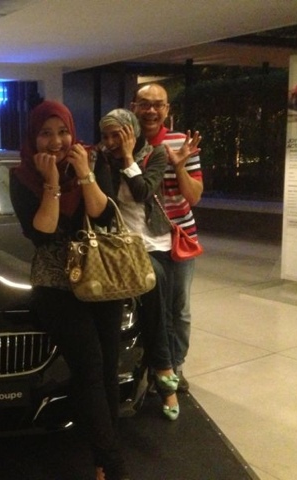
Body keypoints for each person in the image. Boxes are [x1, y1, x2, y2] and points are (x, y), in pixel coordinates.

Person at [10, 100, 130, 480]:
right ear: (34, 137)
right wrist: (51, 183)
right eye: (46, 133)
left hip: (100, 275)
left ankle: (103, 456)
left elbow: (103, 215)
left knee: (107, 367)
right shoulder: (22, 176)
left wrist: (84, 174)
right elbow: (43, 232)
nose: (57, 141)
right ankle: (112, 462)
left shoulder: (93, 160)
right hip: (56, 283)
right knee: (90, 365)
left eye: (63, 131)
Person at [98, 108, 179, 421]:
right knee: (150, 300)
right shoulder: (104, 160)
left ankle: (164, 372)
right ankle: (163, 371)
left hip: (153, 243)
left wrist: (129, 157)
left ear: (131, 132)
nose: (110, 142)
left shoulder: (155, 154)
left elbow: (143, 191)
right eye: (106, 136)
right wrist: (108, 161)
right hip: (120, 245)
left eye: (116, 135)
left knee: (158, 300)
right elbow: (104, 205)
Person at [131, 83, 203, 392]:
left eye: (158, 104)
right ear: (134, 107)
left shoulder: (180, 143)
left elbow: (194, 196)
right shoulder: (125, 142)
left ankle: (176, 366)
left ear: (167, 110)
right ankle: (153, 365)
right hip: (140, 240)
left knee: (179, 308)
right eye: (145, 104)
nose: (151, 110)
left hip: (178, 237)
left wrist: (180, 166)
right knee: (149, 308)